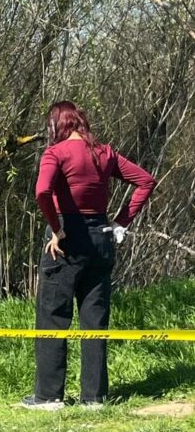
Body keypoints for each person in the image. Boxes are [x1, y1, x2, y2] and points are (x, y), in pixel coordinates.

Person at [22, 101, 157, 410]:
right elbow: (145, 181)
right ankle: (94, 398)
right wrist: (121, 222)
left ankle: (48, 396)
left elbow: (42, 191)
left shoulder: (55, 153)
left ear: (56, 126)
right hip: (100, 236)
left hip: (67, 238)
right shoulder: (104, 152)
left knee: (53, 316)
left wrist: (56, 228)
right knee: (94, 320)